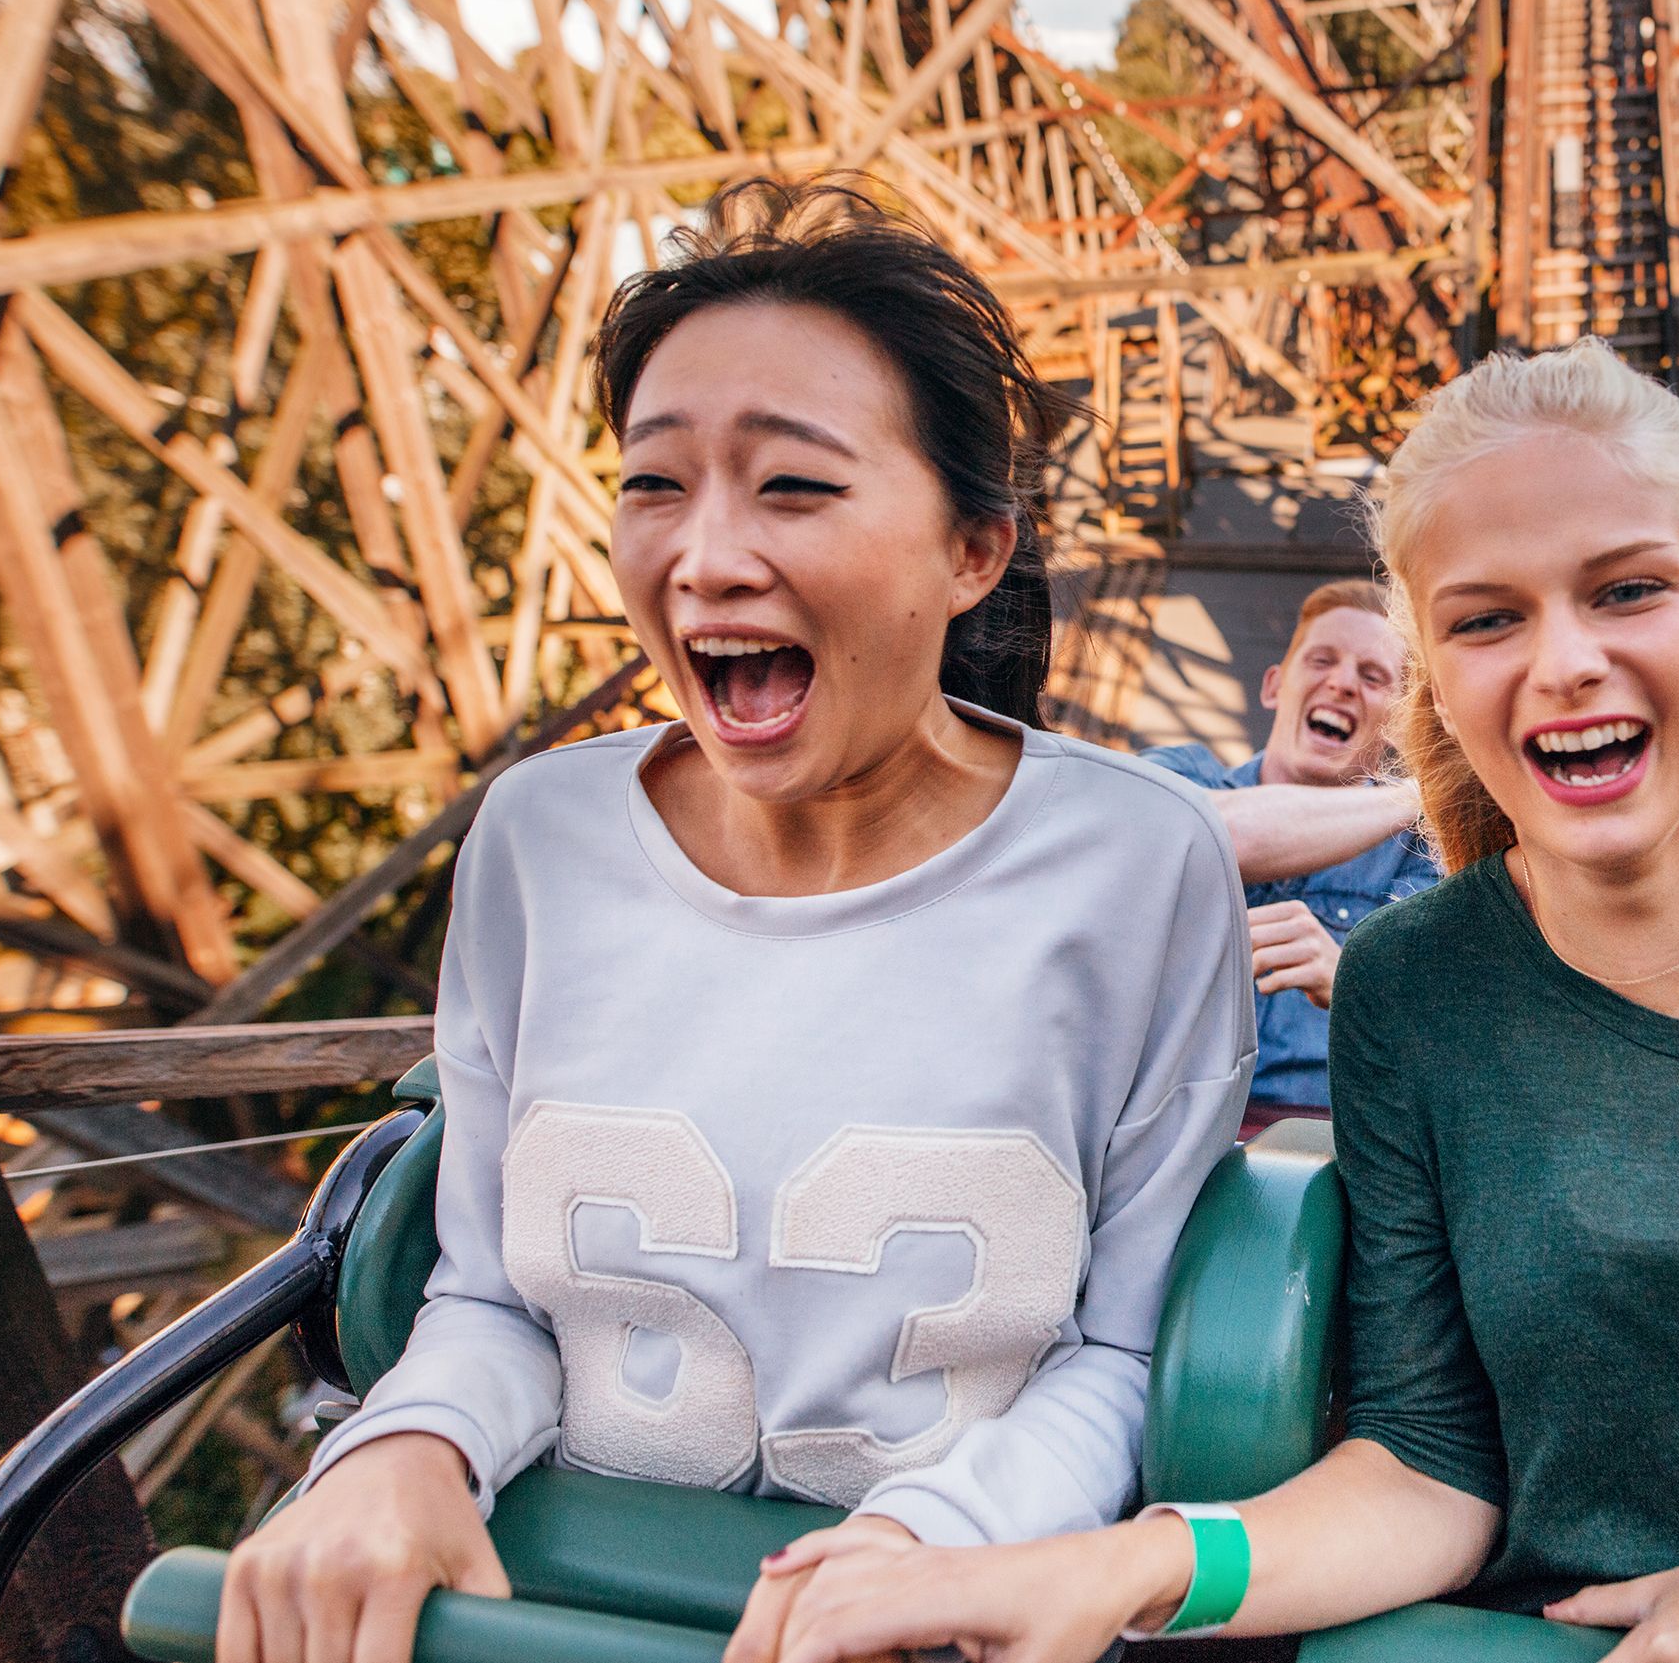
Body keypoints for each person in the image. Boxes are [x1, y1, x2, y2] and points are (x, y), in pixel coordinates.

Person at [756, 338, 1679, 1663]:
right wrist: (1111, 1567)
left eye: (1624, 591)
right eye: (1488, 620)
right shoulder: (1419, 992)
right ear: (1443, 678)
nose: (1562, 662)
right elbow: (1434, 1469)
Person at [215, 180, 1254, 1663]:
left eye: (794, 488)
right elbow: (496, 1293)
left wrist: (927, 1547)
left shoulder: (1140, 867)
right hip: (567, 1615)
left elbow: (1133, 1350)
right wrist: (407, 1444)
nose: (703, 558)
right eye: (655, 485)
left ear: (974, 550)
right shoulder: (536, 840)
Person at [1141, 580, 1436, 1109]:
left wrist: (1353, 985)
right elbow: (1205, 834)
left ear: (1396, 723)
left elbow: (1438, 1029)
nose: (1343, 683)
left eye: (1373, 676)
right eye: (1322, 660)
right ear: (1274, 685)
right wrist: (1425, 790)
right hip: (1161, 1130)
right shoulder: (1180, 775)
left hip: (1322, 1145)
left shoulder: (1417, 855)